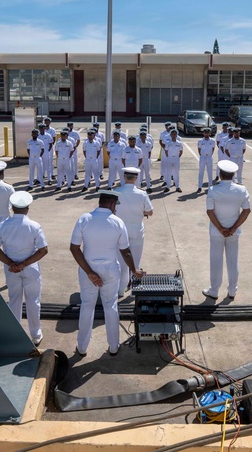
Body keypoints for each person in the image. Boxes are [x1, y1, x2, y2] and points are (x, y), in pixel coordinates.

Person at [70, 190, 144, 357]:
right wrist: (134, 270)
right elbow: (125, 251)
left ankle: (82, 347)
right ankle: (113, 346)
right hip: (110, 270)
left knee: (87, 306)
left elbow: (74, 248)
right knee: (110, 306)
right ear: (111, 204)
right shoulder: (117, 222)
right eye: (115, 206)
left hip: (87, 269)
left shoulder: (84, 219)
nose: (116, 209)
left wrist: (89, 272)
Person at [0, 191, 48, 346]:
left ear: (12, 208)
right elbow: (43, 250)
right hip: (30, 269)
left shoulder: (2, 226)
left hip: (11, 270)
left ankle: (16, 333)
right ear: (27, 208)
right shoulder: (34, 226)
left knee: (14, 300)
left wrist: (11, 264)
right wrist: (24, 264)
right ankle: (35, 335)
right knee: (33, 301)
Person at [202, 160, 252, 299]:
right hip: (234, 232)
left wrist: (220, 228)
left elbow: (210, 212)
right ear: (234, 175)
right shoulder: (241, 189)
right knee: (233, 260)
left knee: (216, 261)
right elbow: (246, 211)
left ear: (220, 174)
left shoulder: (213, 189)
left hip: (216, 232)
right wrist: (233, 228)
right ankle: (232, 290)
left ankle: (214, 290)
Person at [114, 168, 153, 297]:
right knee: (135, 261)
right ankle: (133, 291)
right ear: (136, 178)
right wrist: (140, 212)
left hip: (120, 230)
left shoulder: (116, 192)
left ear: (124, 177)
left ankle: (120, 290)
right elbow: (150, 211)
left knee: (121, 261)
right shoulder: (141, 194)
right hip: (136, 229)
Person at [162, 128, 184, 192]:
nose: (174, 135)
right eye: (172, 134)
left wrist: (177, 157)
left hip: (176, 158)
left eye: (175, 134)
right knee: (168, 173)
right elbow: (166, 151)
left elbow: (181, 151)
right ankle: (168, 187)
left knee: (176, 173)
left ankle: (177, 186)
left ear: (176, 135)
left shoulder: (179, 143)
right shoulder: (168, 143)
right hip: (169, 158)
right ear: (171, 135)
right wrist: (169, 157)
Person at [197, 128, 216, 192]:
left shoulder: (212, 141)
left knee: (210, 172)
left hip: (209, 157)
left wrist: (209, 154)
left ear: (210, 133)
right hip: (203, 157)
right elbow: (199, 149)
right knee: (201, 172)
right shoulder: (200, 141)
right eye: (205, 132)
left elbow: (213, 149)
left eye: (208, 133)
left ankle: (210, 186)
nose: (206, 134)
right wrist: (202, 155)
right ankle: (199, 187)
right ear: (203, 133)